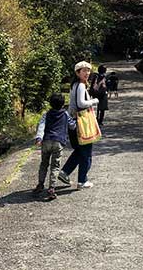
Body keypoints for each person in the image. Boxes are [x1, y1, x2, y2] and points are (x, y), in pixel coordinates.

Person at [58, 61, 98, 189]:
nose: (87, 73)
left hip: (73, 123)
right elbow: (81, 103)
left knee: (80, 151)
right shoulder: (80, 85)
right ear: (77, 73)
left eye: (88, 70)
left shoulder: (74, 85)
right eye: (84, 71)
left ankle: (65, 172)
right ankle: (82, 180)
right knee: (86, 152)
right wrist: (94, 101)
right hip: (81, 123)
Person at [33, 93, 76, 200]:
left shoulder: (46, 114)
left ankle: (40, 184)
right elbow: (72, 126)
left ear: (50, 104)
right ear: (62, 104)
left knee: (44, 164)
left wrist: (39, 138)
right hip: (58, 142)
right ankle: (51, 188)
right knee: (55, 166)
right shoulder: (65, 114)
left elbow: (41, 126)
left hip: (46, 141)